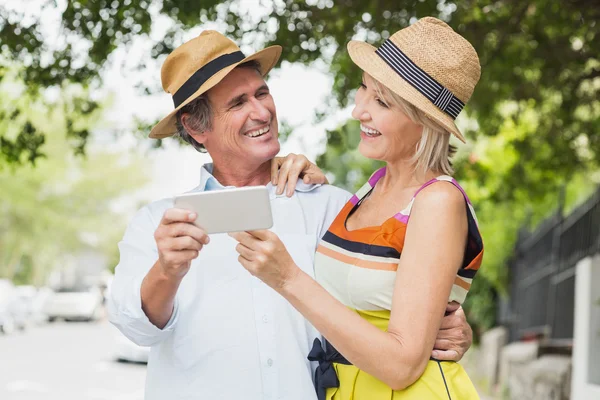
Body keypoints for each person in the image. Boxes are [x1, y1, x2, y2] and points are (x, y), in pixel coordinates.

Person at [108, 28, 474, 400]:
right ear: (195, 127)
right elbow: (137, 329)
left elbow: (383, 302)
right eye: (237, 103)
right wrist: (166, 272)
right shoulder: (158, 224)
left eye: (262, 92)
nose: (261, 110)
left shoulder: (332, 206)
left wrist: (447, 323)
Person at [229, 17, 483, 399]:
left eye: (382, 102)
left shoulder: (437, 202)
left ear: (425, 122)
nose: (359, 111)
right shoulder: (371, 189)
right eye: (364, 88)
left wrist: (288, 278)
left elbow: (401, 366)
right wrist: (301, 175)